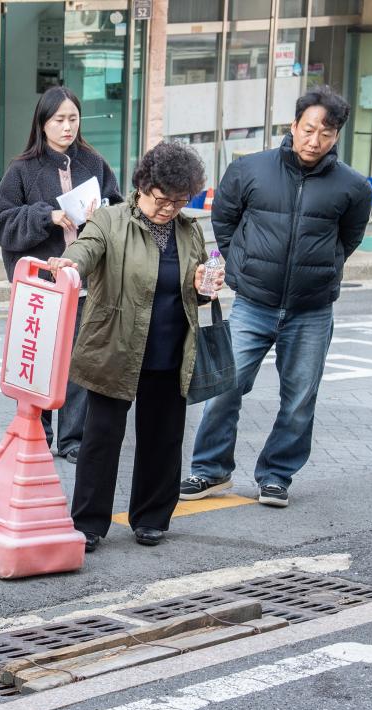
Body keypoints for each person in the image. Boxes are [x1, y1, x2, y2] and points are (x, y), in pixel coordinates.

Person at [180, 86, 372, 508]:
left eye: (325, 133)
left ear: (336, 136)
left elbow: (349, 238)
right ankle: (211, 471)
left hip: (312, 310)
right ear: (293, 125)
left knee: (300, 397)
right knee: (224, 387)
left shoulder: (354, 187)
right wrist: (241, 262)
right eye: (308, 130)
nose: (314, 140)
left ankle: (276, 475)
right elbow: (225, 219)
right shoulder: (251, 169)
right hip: (253, 303)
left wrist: (321, 271)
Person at [47, 141, 220, 552]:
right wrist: (70, 263)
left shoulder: (190, 231)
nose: (169, 209)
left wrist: (205, 288)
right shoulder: (110, 220)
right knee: (100, 440)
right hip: (115, 346)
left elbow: (196, 291)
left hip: (169, 349)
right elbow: (86, 249)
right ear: (143, 186)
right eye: (162, 200)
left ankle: (152, 517)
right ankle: (88, 522)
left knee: (162, 438)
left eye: (179, 201)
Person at [0, 87, 121, 465]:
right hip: (42, 284)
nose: (66, 127)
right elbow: (0, 221)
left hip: (84, 281)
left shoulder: (94, 162)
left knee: (79, 360)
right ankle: (37, 430)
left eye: (73, 119)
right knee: (39, 358)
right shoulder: (23, 169)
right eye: (58, 120)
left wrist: (104, 213)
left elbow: (117, 205)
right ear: (42, 123)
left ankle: (73, 438)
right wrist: (45, 215)